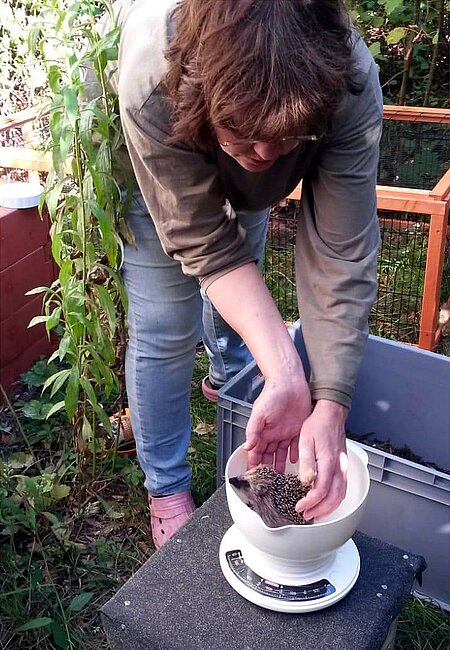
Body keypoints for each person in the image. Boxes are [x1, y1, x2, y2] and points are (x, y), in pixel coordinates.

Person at [93, 0, 382, 549]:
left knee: (243, 272)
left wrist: (327, 397)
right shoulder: (153, 71)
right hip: (161, 154)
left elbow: (341, 253)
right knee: (166, 324)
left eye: (289, 137)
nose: (267, 154)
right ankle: (167, 485)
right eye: (247, 135)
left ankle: (236, 379)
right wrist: (286, 369)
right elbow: (202, 239)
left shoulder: (348, 79)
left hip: (226, 124)